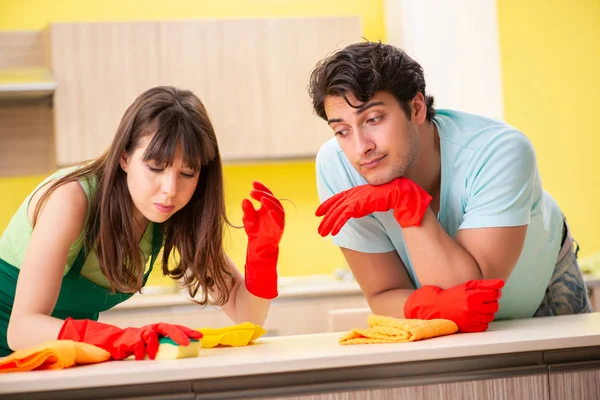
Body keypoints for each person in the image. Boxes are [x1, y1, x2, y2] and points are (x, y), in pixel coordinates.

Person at [308, 41, 592, 333]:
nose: (360, 148)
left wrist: (407, 203)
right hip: (441, 308)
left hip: (542, 284)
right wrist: (428, 307)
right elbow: (383, 293)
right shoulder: (338, 166)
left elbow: (471, 293)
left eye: (374, 119)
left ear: (416, 108)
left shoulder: (499, 150)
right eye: (342, 131)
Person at [0, 86, 285, 359]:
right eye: (155, 168)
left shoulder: (169, 214)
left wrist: (263, 254)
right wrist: (123, 338)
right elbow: (22, 329)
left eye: (187, 173)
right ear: (124, 157)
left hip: (54, 359)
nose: (170, 189)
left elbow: (246, 315)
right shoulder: (72, 199)